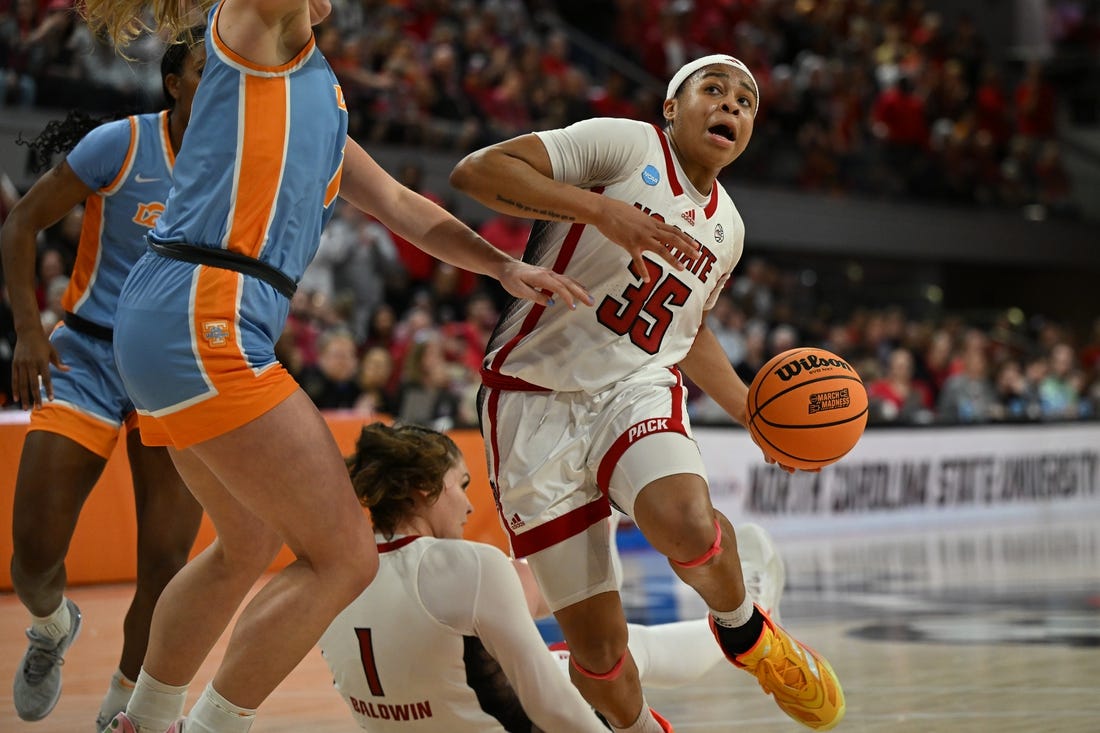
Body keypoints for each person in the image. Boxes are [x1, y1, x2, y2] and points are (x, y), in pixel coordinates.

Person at [81, 2, 592, 733]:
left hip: (174, 316)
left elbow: (398, 203)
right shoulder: (260, 33)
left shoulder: (316, 91)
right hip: (202, 309)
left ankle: (144, 717)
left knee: (247, 541)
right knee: (347, 554)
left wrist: (503, 264)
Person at [450, 54, 845, 731]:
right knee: (599, 653)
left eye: (746, 100)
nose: (731, 105)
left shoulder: (729, 230)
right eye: (713, 90)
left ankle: (746, 629)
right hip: (529, 401)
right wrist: (599, 210)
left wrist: (753, 412)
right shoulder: (627, 144)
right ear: (672, 107)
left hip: (634, 384)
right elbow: (477, 171)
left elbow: (683, 333)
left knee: (687, 521)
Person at [0, 28, 206, 729]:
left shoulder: (240, 166)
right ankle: (53, 624)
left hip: (176, 367)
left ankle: (123, 704)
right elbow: (22, 222)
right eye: (208, 72)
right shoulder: (121, 144)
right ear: (173, 81)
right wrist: (29, 330)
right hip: (84, 354)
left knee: (168, 561)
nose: (224, 88)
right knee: (31, 557)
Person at [320, 422, 787, 731]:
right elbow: (547, 701)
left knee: (576, 640)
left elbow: (538, 597)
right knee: (607, 659)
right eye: (459, 487)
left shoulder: (332, 573)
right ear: (424, 491)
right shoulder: (468, 568)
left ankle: (746, 612)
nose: (466, 505)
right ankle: (752, 618)